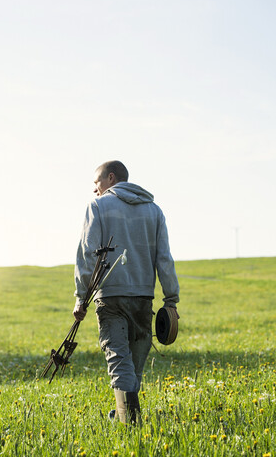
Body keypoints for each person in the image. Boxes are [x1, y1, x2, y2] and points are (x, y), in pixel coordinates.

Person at [73, 160, 180, 424]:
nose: (95, 190)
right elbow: (164, 258)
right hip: (144, 298)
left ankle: (130, 424)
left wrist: (80, 296)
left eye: (96, 184)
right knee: (133, 366)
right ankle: (124, 416)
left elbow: (88, 253)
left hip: (110, 298)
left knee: (120, 361)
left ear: (110, 178)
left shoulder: (97, 206)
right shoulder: (154, 211)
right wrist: (171, 298)